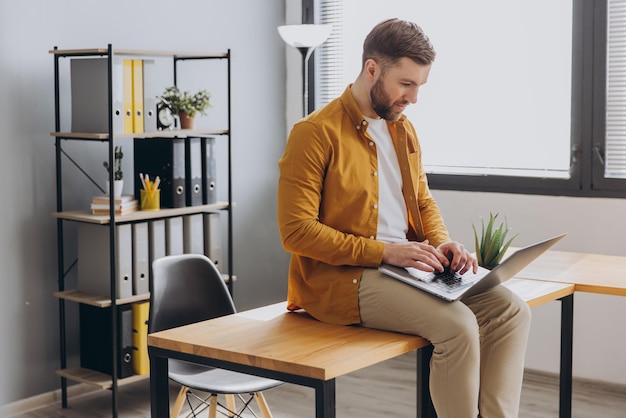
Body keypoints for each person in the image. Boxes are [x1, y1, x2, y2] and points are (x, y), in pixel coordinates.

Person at [277, 18, 531, 418]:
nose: (412, 98)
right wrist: (386, 253)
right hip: (345, 278)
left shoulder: (403, 130)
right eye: (405, 84)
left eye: (419, 87)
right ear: (372, 68)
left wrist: (441, 242)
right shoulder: (314, 133)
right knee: (459, 327)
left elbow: (422, 201)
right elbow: (296, 232)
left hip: (407, 265)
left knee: (511, 309)